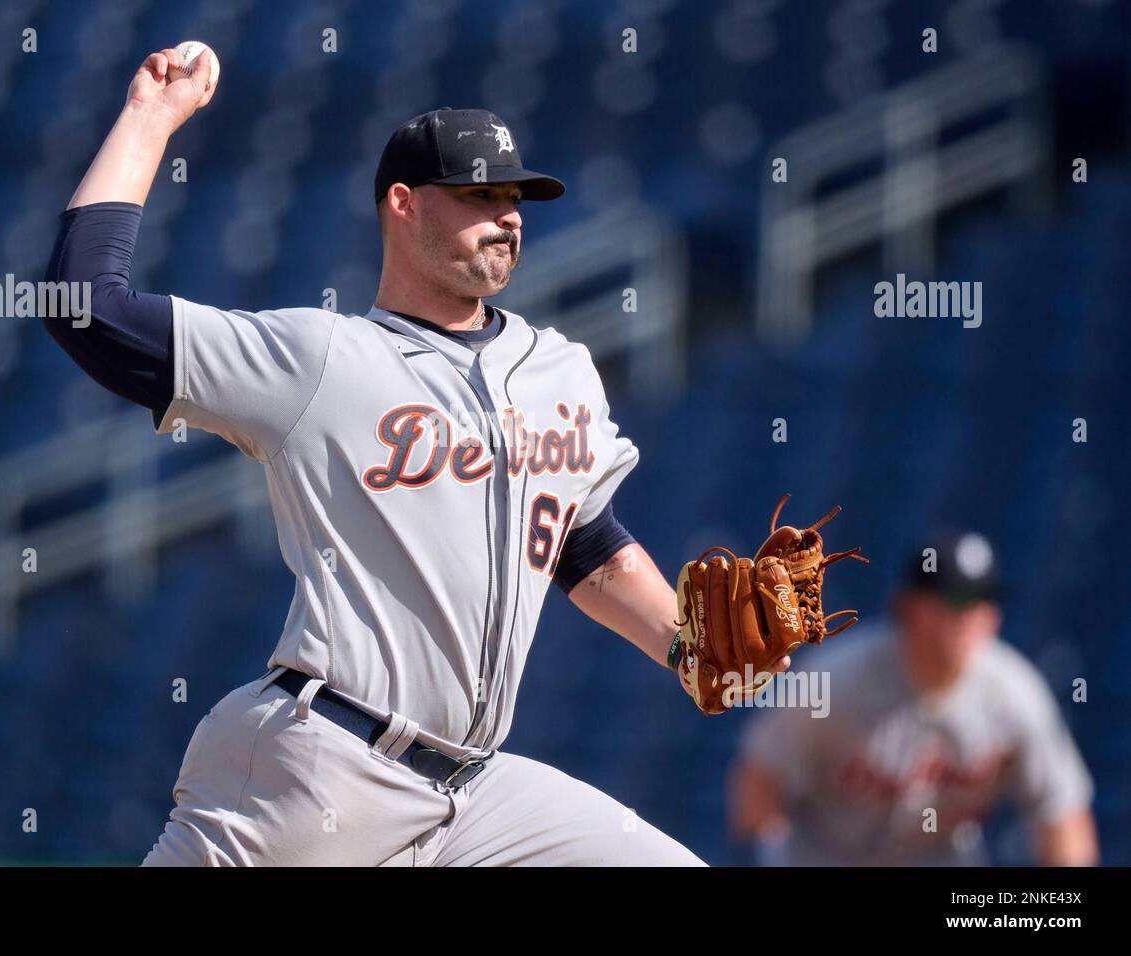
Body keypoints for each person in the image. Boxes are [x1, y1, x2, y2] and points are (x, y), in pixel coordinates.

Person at [42, 46, 792, 865]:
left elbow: (582, 541)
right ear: (403, 204)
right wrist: (152, 117)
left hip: (473, 795)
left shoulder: (561, 370)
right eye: (479, 194)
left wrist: (689, 647)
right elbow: (83, 306)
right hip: (320, 765)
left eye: (515, 195)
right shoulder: (321, 359)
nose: (507, 213)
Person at [728, 530, 1099, 866]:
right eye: (954, 599)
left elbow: (1062, 814)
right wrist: (771, 855)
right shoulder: (838, 681)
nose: (969, 615)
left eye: (983, 599)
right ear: (908, 607)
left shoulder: (1016, 694)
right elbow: (760, 779)